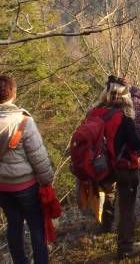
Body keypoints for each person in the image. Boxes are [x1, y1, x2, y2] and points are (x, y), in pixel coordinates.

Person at [0, 75, 54, 264]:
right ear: (13, 94)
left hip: (2, 187)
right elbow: (37, 156)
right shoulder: (23, 121)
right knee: (36, 226)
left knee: (13, 224)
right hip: (25, 186)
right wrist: (47, 179)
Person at [91, 75, 140, 260]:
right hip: (123, 167)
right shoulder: (124, 117)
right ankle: (125, 246)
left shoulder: (94, 113)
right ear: (124, 96)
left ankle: (105, 226)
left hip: (102, 166)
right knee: (126, 207)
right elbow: (137, 144)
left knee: (107, 194)